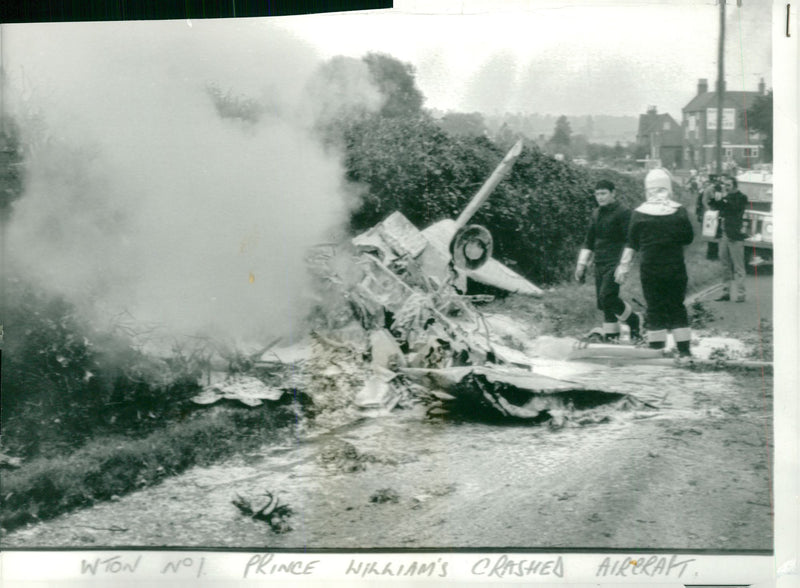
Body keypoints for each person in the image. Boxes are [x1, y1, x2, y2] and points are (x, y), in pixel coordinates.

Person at [614, 168, 694, 357]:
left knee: (655, 307)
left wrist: (623, 268)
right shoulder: (679, 211)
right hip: (675, 267)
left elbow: (631, 244)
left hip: (650, 268)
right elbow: (688, 238)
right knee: (677, 306)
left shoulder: (639, 213)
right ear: (668, 187)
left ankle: (657, 352)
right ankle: (684, 351)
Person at [575, 179, 641, 342]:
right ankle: (612, 336)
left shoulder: (624, 212)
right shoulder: (596, 213)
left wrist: (623, 265)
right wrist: (581, 265)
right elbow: (589, 241)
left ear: (613, 193)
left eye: (603, 193)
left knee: (607, 297)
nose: (600, 197)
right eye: (597, 194)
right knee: (603, 303)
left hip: (615, 262)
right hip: (600, 262)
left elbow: (630, 240)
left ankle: (633, 320)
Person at [707, 175, 748, 302]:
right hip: (724, 234)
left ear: (734, 186)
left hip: (735, 235)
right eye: (725, 185)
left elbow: (734, 208)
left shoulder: (741, 197)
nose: (726, 187)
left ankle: (741, 293)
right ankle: (726, 292)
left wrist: (723, 200)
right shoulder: (726, 197)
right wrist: (714, 196)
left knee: (738, 266)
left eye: (728, 185)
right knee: (725, 264)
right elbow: (714, 206)